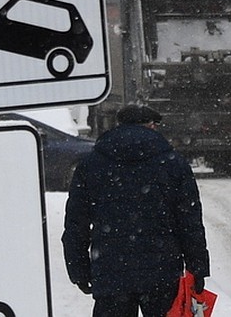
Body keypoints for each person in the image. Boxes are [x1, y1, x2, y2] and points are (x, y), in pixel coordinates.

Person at [63, 104, 210, 317]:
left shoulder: (91, 164)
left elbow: (76, 222)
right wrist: (197, 267)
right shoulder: (173, 164)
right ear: (151, 126)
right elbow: (190, 222)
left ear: (119, 125)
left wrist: (78, 269)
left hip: (111, 272)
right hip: (162, 272)